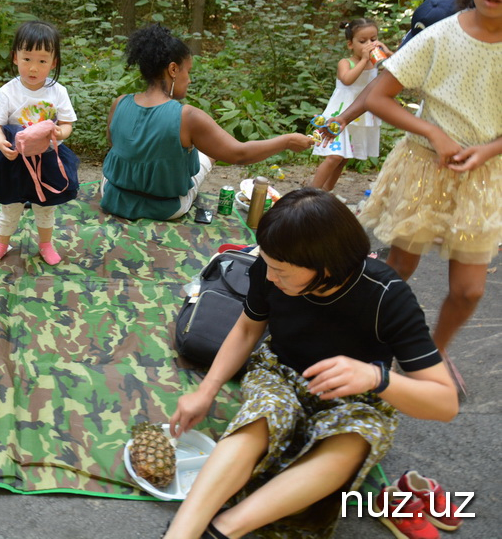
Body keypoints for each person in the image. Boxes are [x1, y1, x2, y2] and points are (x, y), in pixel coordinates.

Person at [164, 187, 458, 539]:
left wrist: (376, 378)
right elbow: (246, 330)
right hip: (281, 372)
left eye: (282, 271)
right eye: (268, 265)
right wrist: (206, 391)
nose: (270, 277)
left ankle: (226, 527)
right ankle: (181, 532)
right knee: (259, 420)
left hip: (357, 395)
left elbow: (444, 403)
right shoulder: (268, 268)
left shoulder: (386, 295)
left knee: (353, 441)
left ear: (327, 264)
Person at [356, 0, 502, 392]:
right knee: (399, 264)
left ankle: (428, 358)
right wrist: (433, 133)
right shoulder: (441, 34)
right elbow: (378, 96)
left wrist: (489, 150)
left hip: (481, 177)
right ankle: (364, 341)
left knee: (469, 290)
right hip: (423, 166)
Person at [100, 24, 312, 221]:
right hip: (166, 208)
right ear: (173, 70)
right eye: (188, 71)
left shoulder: (119, 103)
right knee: (210, 153)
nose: (190, 80)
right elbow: (240, 154)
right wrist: (287, 140)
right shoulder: (188, 116)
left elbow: (114, 144)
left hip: (113, 196)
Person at [0, 20, 79, 266]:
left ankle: (46, 245)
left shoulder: (58, 92)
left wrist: (59, 131)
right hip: (14, 160)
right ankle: (1, 244)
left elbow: (67, 124)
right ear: (15, 57)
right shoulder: (8, 92)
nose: (33, 67)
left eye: (42, 61)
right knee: (10, 205)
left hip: (46, 159)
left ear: (53, 62)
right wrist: (2, 143)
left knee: (45, 207)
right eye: (27, 59)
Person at [309, 19, 391, 193]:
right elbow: (347, 80)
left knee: (345, 158)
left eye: (373, 39)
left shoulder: (376, 62)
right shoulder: (346, 62)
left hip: (360, 117)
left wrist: (388, 53)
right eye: (362, 41)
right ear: (350, 44)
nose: (369, 45)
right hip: (340, 114)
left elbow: (399, 68)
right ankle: (309, 193)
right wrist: (363, 60)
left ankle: (325, 193)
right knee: (334, 156)